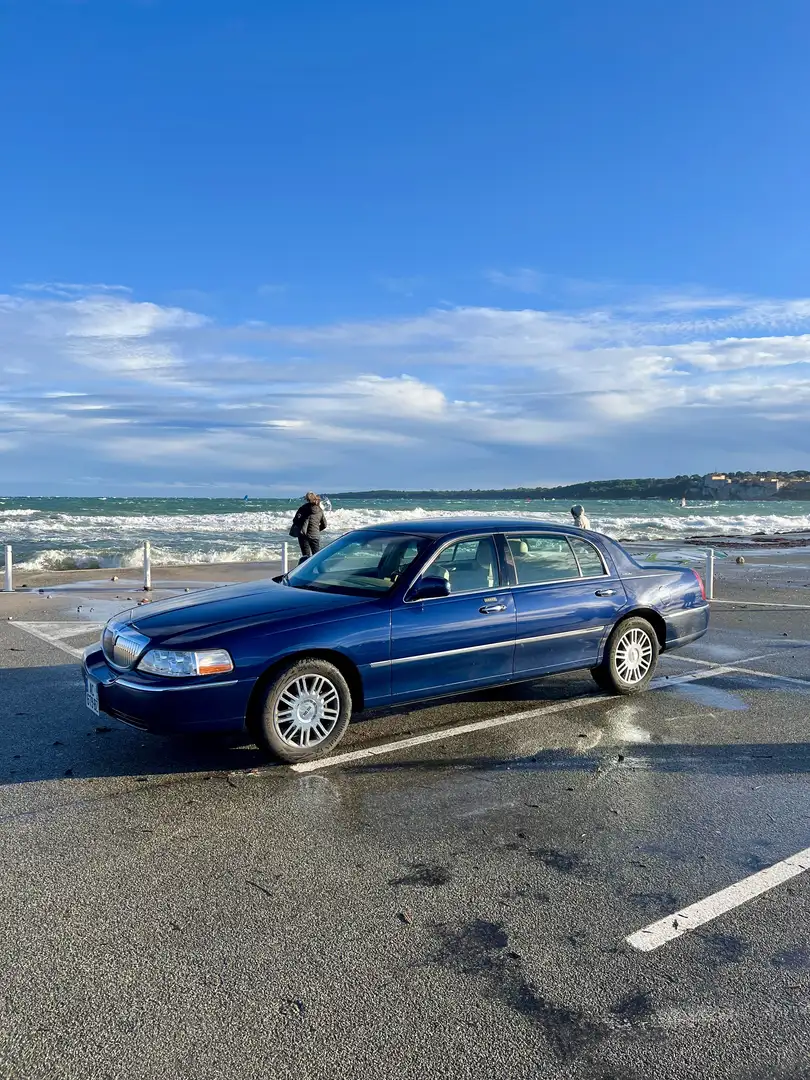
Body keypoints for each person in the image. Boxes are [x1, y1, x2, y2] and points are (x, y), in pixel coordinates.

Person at [290, 492, 327, 563]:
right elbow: (324, 524)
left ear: (307, 499)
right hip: (315, 535)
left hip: (304, 535)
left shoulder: (302, 508)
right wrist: (316, 530)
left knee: (305, 558)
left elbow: (295, 520)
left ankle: (305, 572)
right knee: (316, 557)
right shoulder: (319, 510)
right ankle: (318, 571)